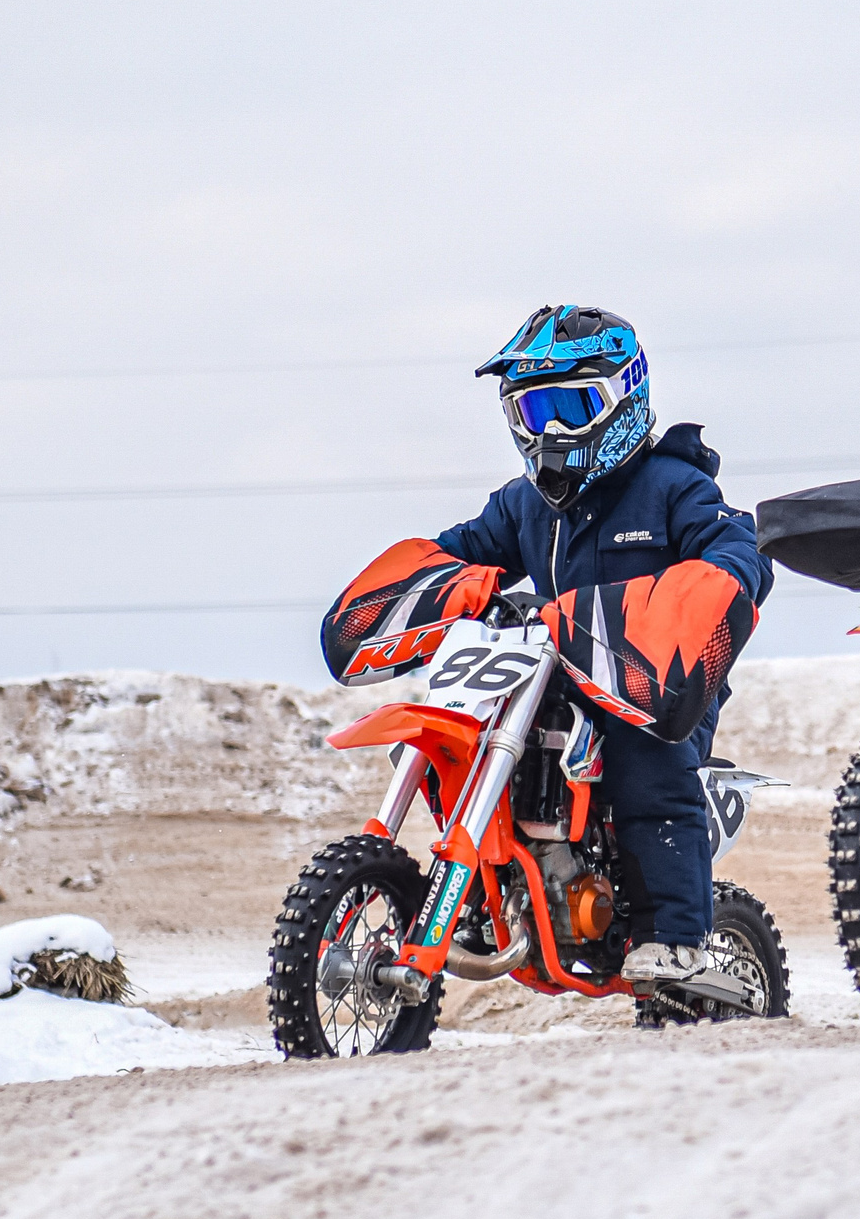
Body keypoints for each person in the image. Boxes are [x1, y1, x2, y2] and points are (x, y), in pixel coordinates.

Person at [319, 305, 771, 990]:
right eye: (536, 412)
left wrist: (716, 577)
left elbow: (735, 547)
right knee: (465, 740)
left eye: (573, 405)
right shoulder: (524, 506)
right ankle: (477, 897)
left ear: (626, 397)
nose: (553, 431)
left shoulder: (673, 486)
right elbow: (465, 550)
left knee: (642, 758)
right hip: (548, 674)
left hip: (655, 680)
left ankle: (675, 935)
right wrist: (448, 584)